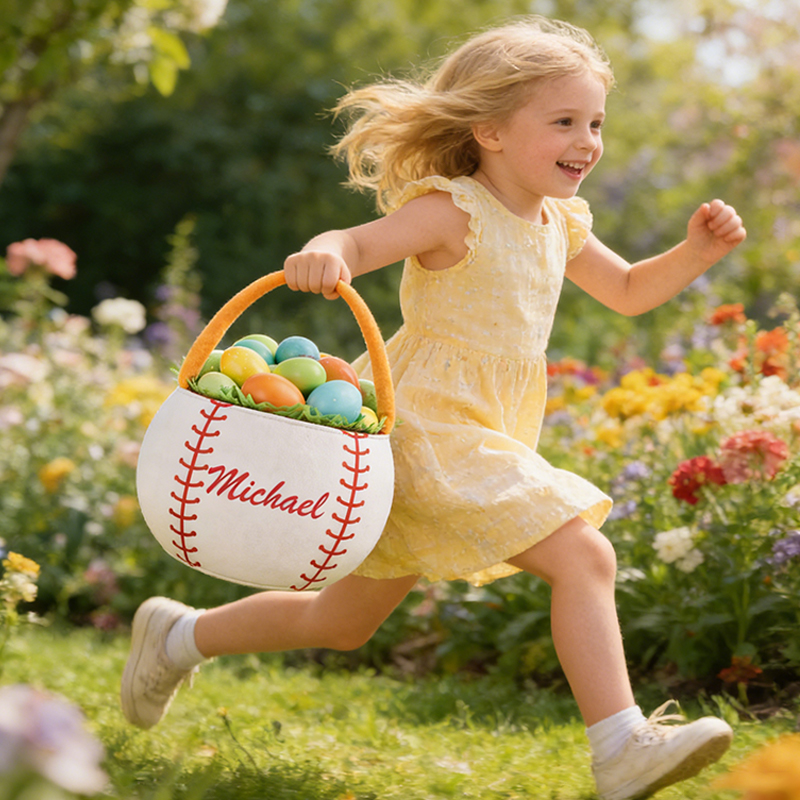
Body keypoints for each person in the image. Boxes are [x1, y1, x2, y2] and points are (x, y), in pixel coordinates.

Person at [121, 16, 747, 800]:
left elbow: (628, 293)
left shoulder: (560, 222)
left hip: (480, 431)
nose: (586, 141)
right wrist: (327, 253)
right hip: (428, 427)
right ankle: (621, 745)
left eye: (595, 123)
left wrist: (697, 252)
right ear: (486, 128)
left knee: (340, 625)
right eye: (562, 121)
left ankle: (178, 636)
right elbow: (355, 241)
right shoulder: (455, 210)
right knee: (586, 555)